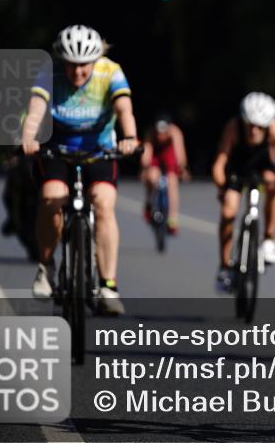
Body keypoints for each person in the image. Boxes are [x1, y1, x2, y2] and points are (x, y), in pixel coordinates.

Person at [21, 25, 139, 316]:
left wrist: (130, 138)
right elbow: (36, 109)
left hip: (99, 150)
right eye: (71, 65)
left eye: (84, 65)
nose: (77, 73)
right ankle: (46, 267)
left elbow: (124, 108)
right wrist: (28, 136)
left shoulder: (110, 71)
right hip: (57, 150)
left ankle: (108, 284)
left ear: (95, 60)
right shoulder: (50, 72)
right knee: (51, 197)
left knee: (103, 202)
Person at [211, 92, 275, 293]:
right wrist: (222, 187)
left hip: (262, 166)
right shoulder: (233, 127)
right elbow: (219, 163)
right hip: (237, 168)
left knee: (274, 183)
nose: (254, 130)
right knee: (228, 212)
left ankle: (268, 238)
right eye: (251, 124)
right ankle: (224, 266)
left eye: (260, 126)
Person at [141, 113, 190, 234]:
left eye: (163, 132)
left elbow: (180, 154)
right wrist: (145, 168)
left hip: (168, 155)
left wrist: (182, 169)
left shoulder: (175, 132)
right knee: (152, 177)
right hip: (155, 156)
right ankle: (149, 203)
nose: (161, 136)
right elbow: (146, 154)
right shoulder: (150, 133)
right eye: (159, 133)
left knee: (172, 182)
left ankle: (172, 217)